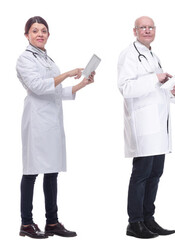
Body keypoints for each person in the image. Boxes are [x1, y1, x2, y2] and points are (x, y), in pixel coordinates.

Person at [16, 16, 95, 239]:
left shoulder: (48, 60)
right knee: (31, 171)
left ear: (48, 35)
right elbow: (39, 87)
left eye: (43, 31)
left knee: (52, 172)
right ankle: (26, 223)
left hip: (52, 121)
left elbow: (56, 91)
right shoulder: (24, 59)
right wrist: (68, 73)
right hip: (37, 120)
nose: (40, 34)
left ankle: (52, 222)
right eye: (34, 31)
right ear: (27, 35)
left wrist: (82, 84)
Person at [118, 16, 175, 239]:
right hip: (143, 125)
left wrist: (172, 90)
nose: (147, 30)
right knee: (142, 174)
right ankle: (134, 223)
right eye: (142, 27)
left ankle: (148, 218)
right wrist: (156, 77)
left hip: (159, 125)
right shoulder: (129, 55)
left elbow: (158, 89)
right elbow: (126, 87)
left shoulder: (153, 55)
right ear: (134, 31)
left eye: (150, 27)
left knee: (156, 173)